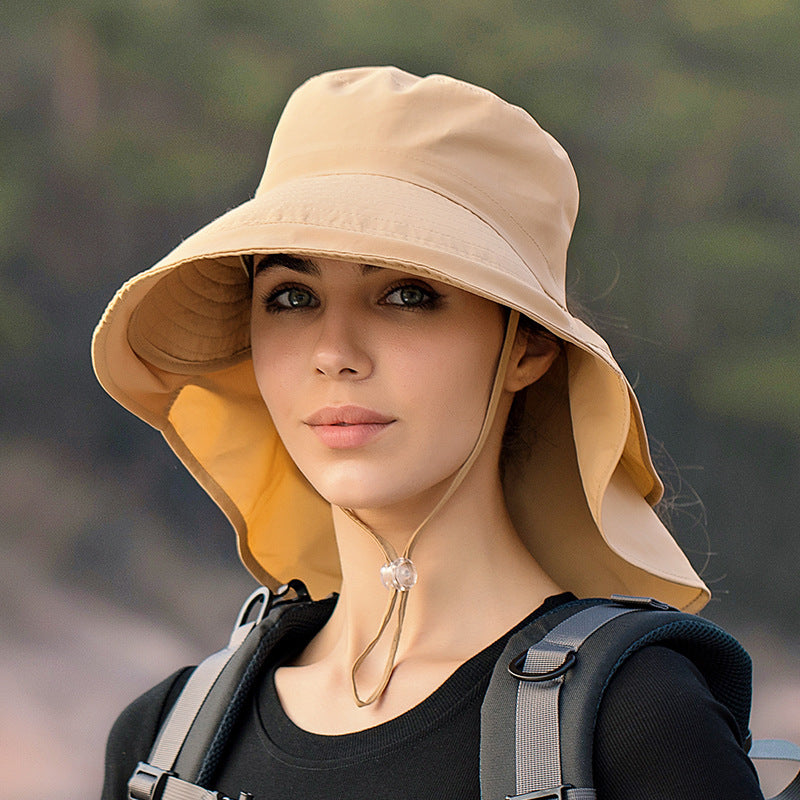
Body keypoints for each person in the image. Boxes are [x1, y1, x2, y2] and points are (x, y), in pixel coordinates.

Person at [94, 66, 764, 798]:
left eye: (407, 294)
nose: (334, 354)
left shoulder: (636, 726)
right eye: (291, 296)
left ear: (527, 346)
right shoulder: (164, 745)